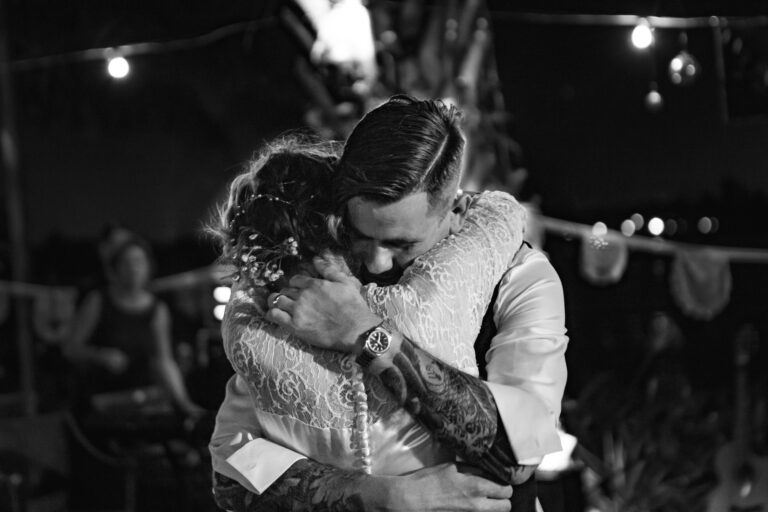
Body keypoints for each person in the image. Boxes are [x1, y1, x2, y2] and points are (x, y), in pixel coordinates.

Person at [210, 96, 568, 511]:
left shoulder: (521, 276)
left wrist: (367, 335)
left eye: (401, 244)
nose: (377, 261)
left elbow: (515, 458)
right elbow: (233, 476)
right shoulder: (313, 272)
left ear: (451, 206)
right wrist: (386, 497)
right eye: (361, 234)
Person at [65, 234, 203, 417]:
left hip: (141, 399)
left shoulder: (157, 309)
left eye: (138, 262)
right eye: (127, 263)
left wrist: (184, 403)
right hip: (101, 401)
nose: (133, 269)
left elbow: (165, 361)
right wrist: (100, 356)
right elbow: (70, 349)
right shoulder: (98, 301)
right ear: (115, 269)